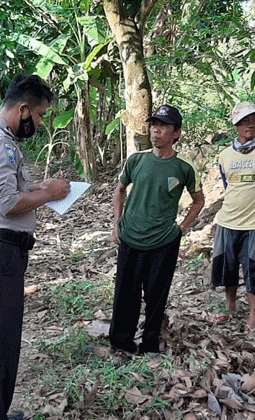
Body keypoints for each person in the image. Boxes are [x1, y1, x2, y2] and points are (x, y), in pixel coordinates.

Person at [0, 74, 70, 420]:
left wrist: (40, 186)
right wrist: (50, 195)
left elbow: (9, 188)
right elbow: (8, 203)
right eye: (39, 115)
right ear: (23, 109)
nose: (39, 122)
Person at [110, 105, 205, 354]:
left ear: (177, 133)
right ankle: (121, 341)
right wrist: (116, 224)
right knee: (125, 293)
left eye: (163, 126)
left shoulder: (184, 167)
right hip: (130, 237)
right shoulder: (137, 160)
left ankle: (150, 343)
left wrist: (182, 228)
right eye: (154, 125)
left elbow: (199, 200)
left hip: (163, 241)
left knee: (155, 296)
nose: (156, 131)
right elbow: (120, 190)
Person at [211, 101, 255, 333]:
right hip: (227, 220)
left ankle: (253, 315)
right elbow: (227, 184)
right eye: (244, 121)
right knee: (228, 267)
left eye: (254, 120)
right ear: (236, 125)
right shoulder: (224, 155)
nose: (249, 125)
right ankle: (231, 307)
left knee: (254, 268)